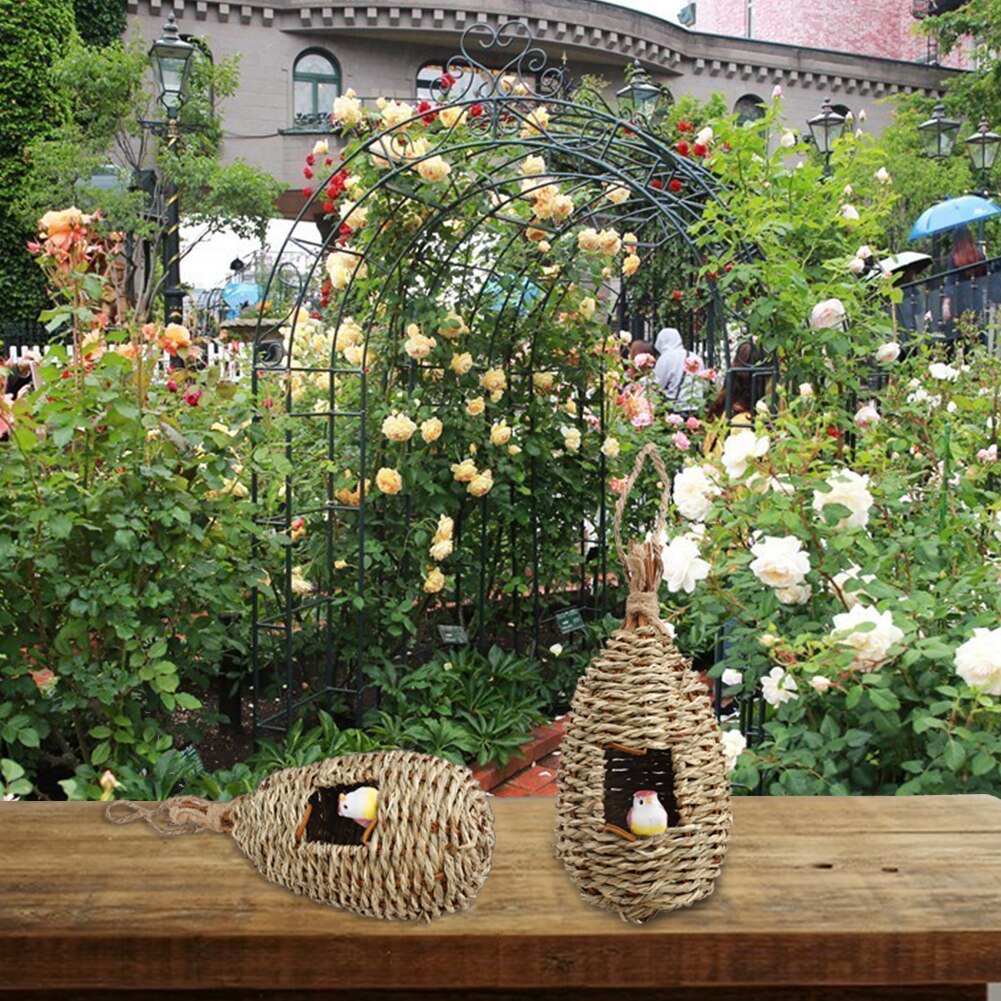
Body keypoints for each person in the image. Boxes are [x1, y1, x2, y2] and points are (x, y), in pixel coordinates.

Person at [941, 225, 987, 339]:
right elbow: (985, 277)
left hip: (961, 299)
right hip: (977, 297)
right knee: (978, 328)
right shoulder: (979, 256)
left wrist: (946, 303)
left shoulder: (954, 258)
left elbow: (950, 280)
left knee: (962, 332)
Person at [653, 327, 703, 412]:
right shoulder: (696, 357)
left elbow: (657, 385)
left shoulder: (665, 358)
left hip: (676, 408)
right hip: (696, 407)